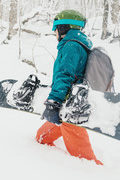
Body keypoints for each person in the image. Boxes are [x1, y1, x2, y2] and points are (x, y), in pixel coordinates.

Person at [36, 10, 103, 165]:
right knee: (41, 138)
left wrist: (54, 101)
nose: (54, 31)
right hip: (66, 103)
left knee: (85, 160)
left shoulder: (71, 46)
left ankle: (99, 175)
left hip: (71, 107)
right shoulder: (79, 44)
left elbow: (64, 74)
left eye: (56, 26)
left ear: (64, 27)